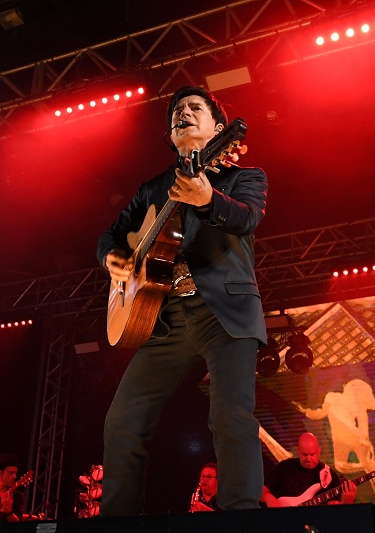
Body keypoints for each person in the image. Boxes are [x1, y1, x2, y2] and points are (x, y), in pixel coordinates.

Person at [98, 86, 268, 515]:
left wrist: (210, 200)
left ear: (217, 127)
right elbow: (111, 236)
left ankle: (240, 518)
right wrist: (114, 259)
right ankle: (117, 521)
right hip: (164, 316)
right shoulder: (152, 189)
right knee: (122, 422)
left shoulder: (243, 176)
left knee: (231, 418)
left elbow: (247, 218)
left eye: (196, 108)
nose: (184, 113)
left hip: (224, 313)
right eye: (177, 111)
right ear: (171, 136)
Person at [261, 432, 357, 507]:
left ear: (319, 451)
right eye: (304, 454)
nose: (308, 458)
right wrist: (268, 498)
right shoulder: (284, 467)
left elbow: (336, 514)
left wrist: (347, 502)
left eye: (312, 454)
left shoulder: (329, 476)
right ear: (298, 450)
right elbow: (261, 492)